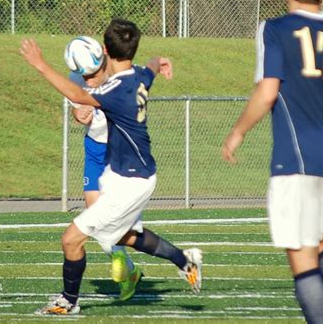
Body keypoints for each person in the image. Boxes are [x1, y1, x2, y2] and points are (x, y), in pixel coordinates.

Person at [21, 18, 203, 316]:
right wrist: (161, 60)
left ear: (104, 49)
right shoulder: (140, 75)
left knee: (72, 238)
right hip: (121, 173)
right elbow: (151, 65)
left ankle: (69, 301)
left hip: (132, 180)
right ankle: (183, 259)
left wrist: (40, 64)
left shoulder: (116, 89)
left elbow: (79, 95)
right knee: (117, 235)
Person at [222, 0, 323, 322]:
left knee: (303, 258)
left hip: (297, 160)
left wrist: (238, 132)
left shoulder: (275, 28)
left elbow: (268, 91)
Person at [66, 36, 140, 301]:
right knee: (94, 214)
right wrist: (79, 114)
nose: (87, 78)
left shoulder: (120, 71)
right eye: (82, 74)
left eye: (91, 73)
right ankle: (126, 266)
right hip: (95, 148)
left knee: (116, 219)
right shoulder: (76, 76)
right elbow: (78, 109)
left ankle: (175, 259)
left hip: (119, 148)